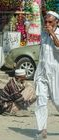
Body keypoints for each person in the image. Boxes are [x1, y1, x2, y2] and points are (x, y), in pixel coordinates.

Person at [34, 11, 59, 139]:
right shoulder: (43, 34)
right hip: (42, 72)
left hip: (56, 73)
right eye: (46, 22)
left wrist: (52, 34)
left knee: (57, 101)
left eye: (50, 22)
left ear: (57, 22)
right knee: (41, 100)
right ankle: (41, 129)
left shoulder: (56, 33)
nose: (47, 24)